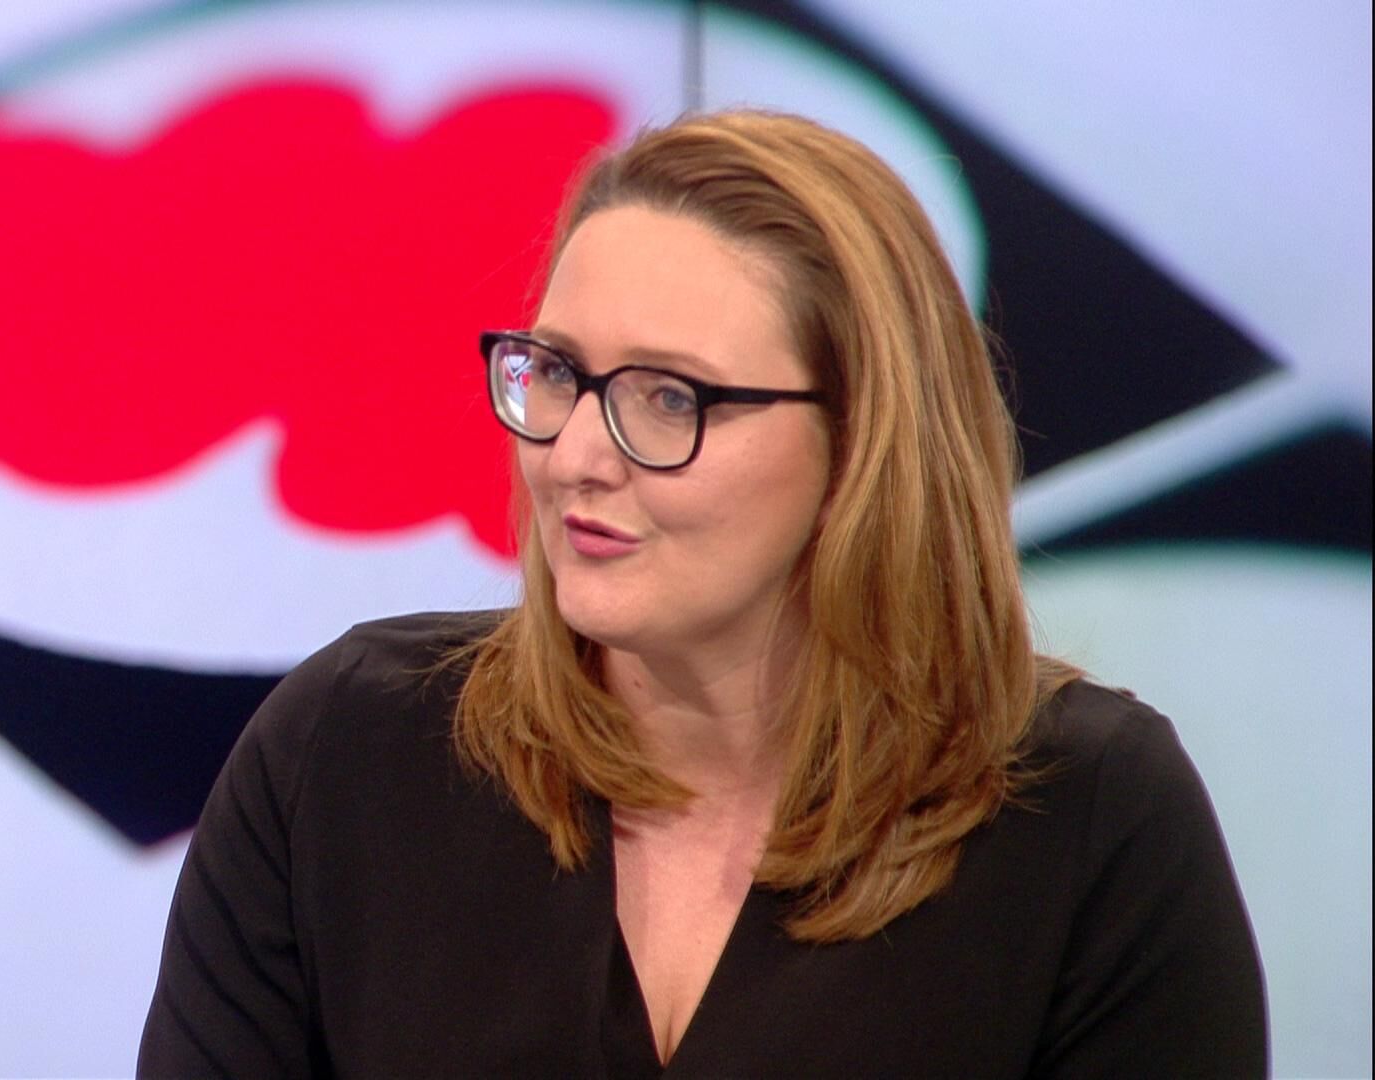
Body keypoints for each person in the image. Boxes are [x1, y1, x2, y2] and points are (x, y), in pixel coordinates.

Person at [137, 110, 1267, 1078]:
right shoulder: (348, 750)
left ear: (863, 443)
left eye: (669, 398)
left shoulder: (1091, 820)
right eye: (558, 373)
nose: (576, 455)